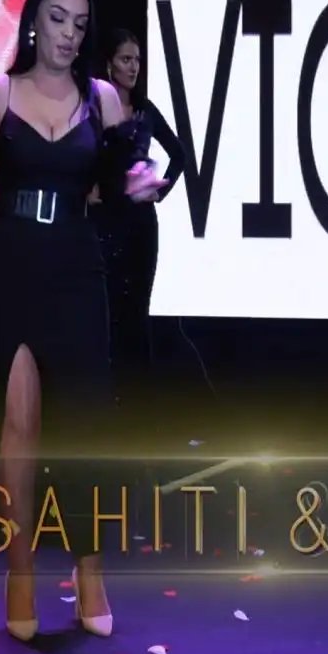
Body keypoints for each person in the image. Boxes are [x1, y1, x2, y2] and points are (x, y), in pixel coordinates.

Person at [0, 0, 165, 642]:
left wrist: (138, 184)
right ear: (34, 20)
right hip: (11, 267)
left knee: (84, 427)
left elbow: (120, 183)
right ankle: (21, 572)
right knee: (20, 426)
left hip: (76, 269)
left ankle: (90, 573)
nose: (68, 34)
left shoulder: (103, 100)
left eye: (80, 24)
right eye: (58, 18)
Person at [89, 29, 184, 405]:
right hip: (105, 222)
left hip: (141, 226)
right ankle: (107, 400)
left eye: (137, 60)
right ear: (109, 63)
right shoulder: (93, 108)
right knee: (108, 312)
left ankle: (141, 403)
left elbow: (179, 154)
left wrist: (159, 192)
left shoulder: (145, 110)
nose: (133, 67)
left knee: (138, 313)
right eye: (126, 59)